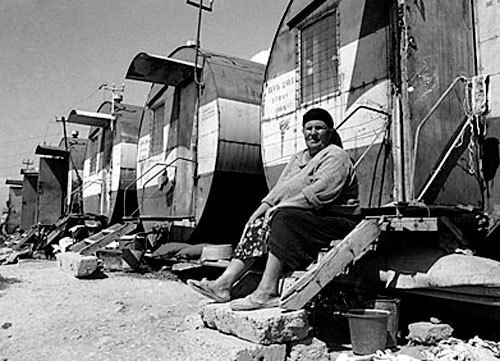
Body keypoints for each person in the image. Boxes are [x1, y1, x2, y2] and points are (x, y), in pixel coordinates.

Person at [188, 108, 360, 311]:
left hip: (335, 219)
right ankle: (223, 284)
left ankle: (266, 292)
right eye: (309, 128)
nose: (313, 133)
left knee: (282, 216)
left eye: (319, 128)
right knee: (261, 220)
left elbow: (320, 194)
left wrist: (278, 208)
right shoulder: (299, 158)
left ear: (329, 132)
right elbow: (281, 189)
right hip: (309, 216)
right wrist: (261, 210)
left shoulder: (335, 156)